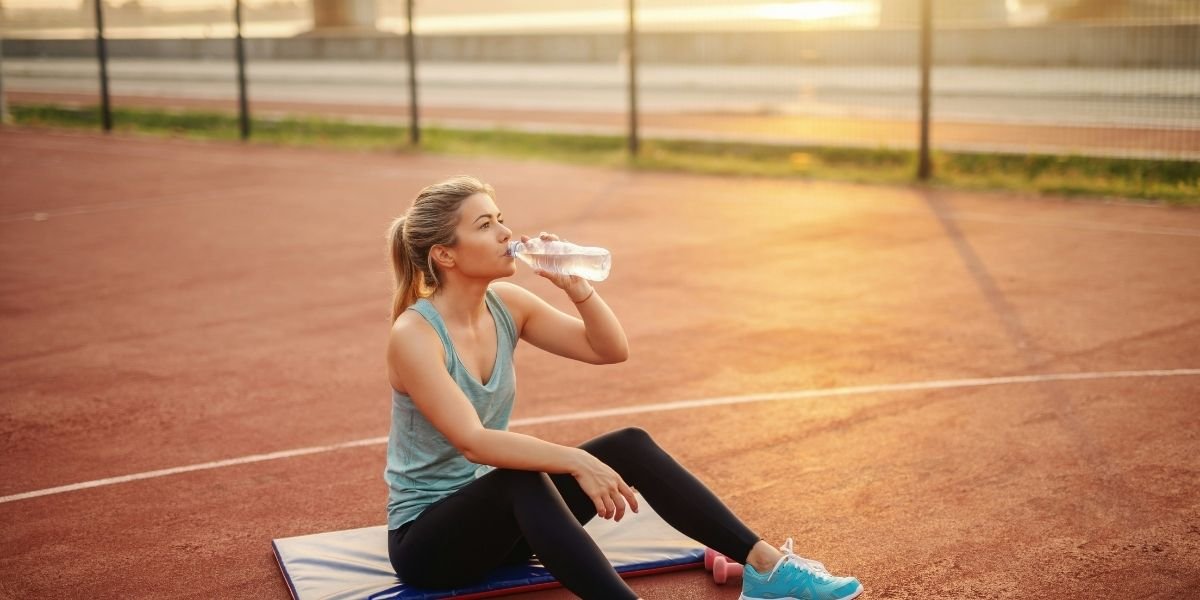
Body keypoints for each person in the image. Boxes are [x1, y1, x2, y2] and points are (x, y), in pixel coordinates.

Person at [383, 175, 863, 600]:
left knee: (628, 445)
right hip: (429, 544)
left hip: (502, 531)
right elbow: (474, 442)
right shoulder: (415, 336)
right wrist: (576, 460)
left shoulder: (507, 303)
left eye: (501, 218)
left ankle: (764, 566)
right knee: (521, 474)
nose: (507, 233)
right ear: (444, 254)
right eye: (485, 225)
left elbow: (608, 349)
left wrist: (576, 287)